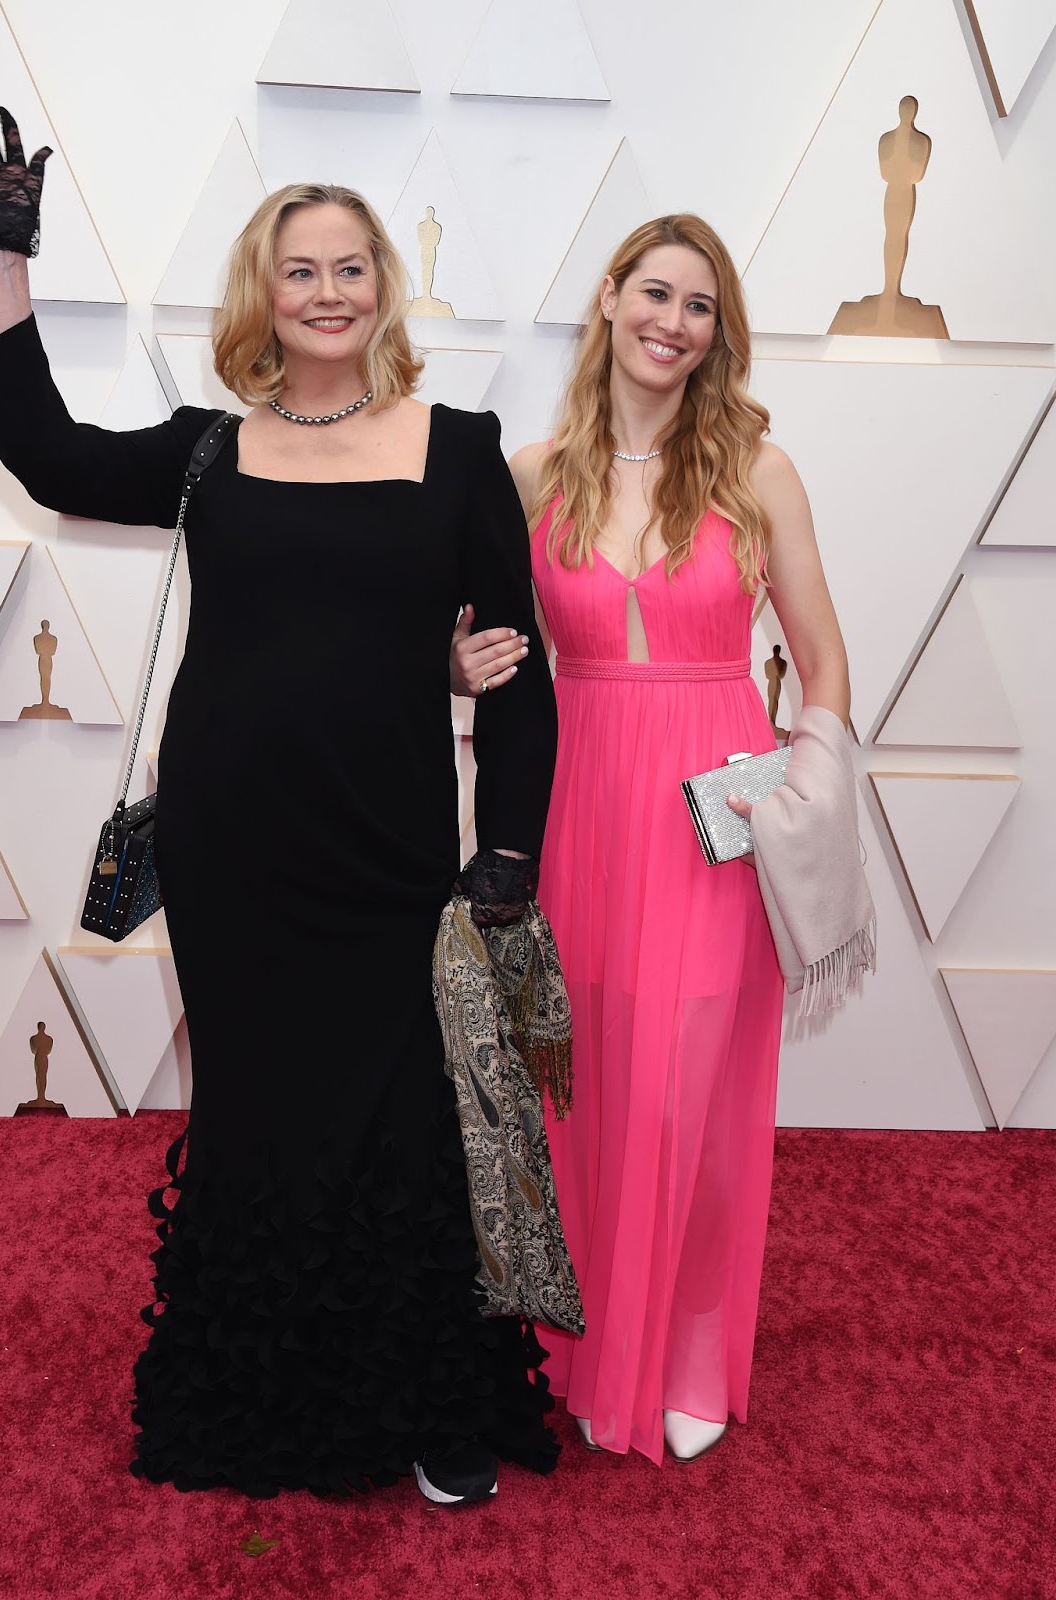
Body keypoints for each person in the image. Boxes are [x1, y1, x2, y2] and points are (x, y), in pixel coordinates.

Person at [0, 107, 560, 1505]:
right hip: (238, 853)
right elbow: (47, 452)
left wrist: (508, 845)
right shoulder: (207, 450)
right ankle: (257, 1401)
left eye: (351, 267)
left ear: (382, 290)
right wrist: (1, 258)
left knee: (407, 1120)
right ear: (262, 294)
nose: (327, 290)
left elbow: (517, 676)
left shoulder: (459, 449)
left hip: (393, 847)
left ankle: (426, 1403)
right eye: (300, 269)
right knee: (259, 1119)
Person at [451, 214, 851, 1464]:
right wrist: (454, 666)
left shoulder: (757, 472)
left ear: (715, 333)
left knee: (692, 1083)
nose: (672, 323)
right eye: (654, 293)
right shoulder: (531, 473)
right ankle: (574, 1342)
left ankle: (682, 1347)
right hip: (575, 799)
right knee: (583, 1074)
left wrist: (805, 787)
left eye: (699, 307)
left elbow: (826, 661)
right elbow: (464, 645)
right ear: (611, 297)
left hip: (713, 811)